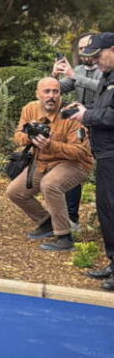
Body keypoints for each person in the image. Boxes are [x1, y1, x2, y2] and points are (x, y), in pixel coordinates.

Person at [6, 77, 92, 252]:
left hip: (75, 164)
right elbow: (17, 135)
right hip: (43, 162)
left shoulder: (72, 112)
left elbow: (81, 152)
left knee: (50, 184)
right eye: (47, 92)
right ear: (37, 94)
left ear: (60, 93)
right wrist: (30, 137)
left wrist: (51, 145)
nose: (51, 96)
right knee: (15, 192)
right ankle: (46, 223)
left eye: (56, 91)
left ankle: (64, 237)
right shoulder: (29, 109)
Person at [67, 32, 114, 290]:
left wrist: (89, 116)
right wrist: (86, 113)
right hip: (105, 153)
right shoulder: (107, 77)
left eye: (98, 55)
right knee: (107, 210)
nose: (95, 61)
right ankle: (112, 263)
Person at [54, 33, 102, 228]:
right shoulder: (80, 69)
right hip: (81, 128)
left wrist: (75, 76)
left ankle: (104, 220)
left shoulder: (106, 70)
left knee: (105, 173)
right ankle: (72, 219)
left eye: (88, 48)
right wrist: (54, 75)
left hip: (104, 127)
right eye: (81, 49)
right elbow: (54, 90)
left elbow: (102, 88)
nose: (84, 53)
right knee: (73, 167)